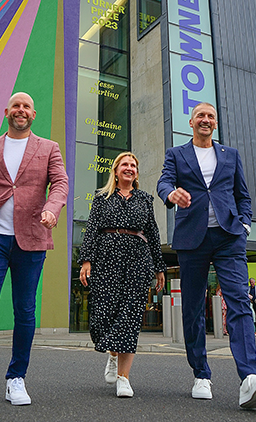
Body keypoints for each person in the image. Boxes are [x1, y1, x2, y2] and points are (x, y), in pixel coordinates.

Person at [0, 92, 69, 422]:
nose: (21, 110)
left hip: (31, 238)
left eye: (26, 107)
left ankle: (15, 377)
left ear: (34, 114)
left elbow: (60, 183)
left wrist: (52, 208)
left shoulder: (49, 148)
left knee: (25, 310)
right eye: (16, 106)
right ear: (7, 112)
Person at [157, 102, 256, 409]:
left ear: (215, 124)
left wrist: (244, 224)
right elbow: (163, 182)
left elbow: (243, 195)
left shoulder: (231, 155)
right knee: (193, 308)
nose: (206, 119)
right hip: (192, 238)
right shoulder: (176, 154)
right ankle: (201, 373)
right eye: (200, 115)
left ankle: (249, 377)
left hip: (228, 236)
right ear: (191, 122)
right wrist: (171, 194)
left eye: (210, 116)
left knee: (239, 300)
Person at [79, 152, 165, 398]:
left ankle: (123, 377)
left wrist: (159, 267)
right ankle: (113, 355)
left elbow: (154, 234)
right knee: (102, 317)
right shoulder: (101, 198)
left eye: (133, 165)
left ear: (136, 173)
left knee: (130, 316)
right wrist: (86, 260)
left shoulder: (144, 199)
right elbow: (92, 229)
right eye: (125, 165)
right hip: (107, 259)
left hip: (137, 260)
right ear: (116, 171)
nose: (129, 168)